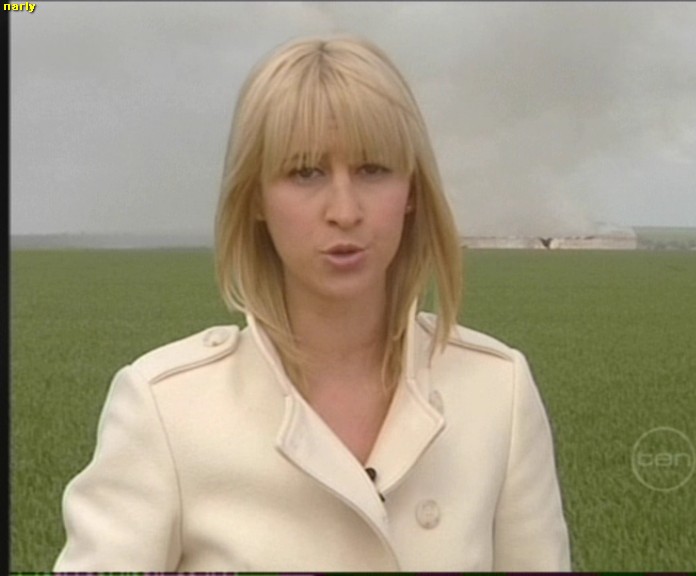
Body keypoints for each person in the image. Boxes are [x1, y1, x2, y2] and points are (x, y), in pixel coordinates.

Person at [53, 35, 571, 571]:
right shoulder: (167, 408)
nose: (344, 210)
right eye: (306, 173)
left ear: (412, 191)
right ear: (254, 197)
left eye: (373, 169)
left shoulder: (497, 393)